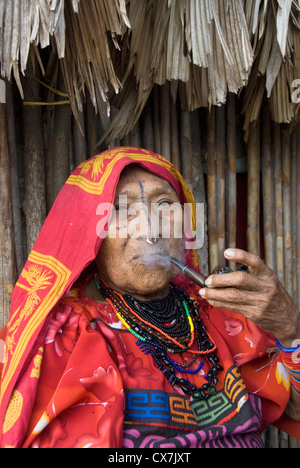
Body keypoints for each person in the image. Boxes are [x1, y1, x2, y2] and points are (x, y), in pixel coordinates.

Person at [0, 146, 300, 448]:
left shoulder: (223, 315)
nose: (149, 230)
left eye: (165, 206)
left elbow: (294, 409)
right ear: (90, 235)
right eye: (119, 209)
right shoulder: (63, 336)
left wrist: (289, 328)